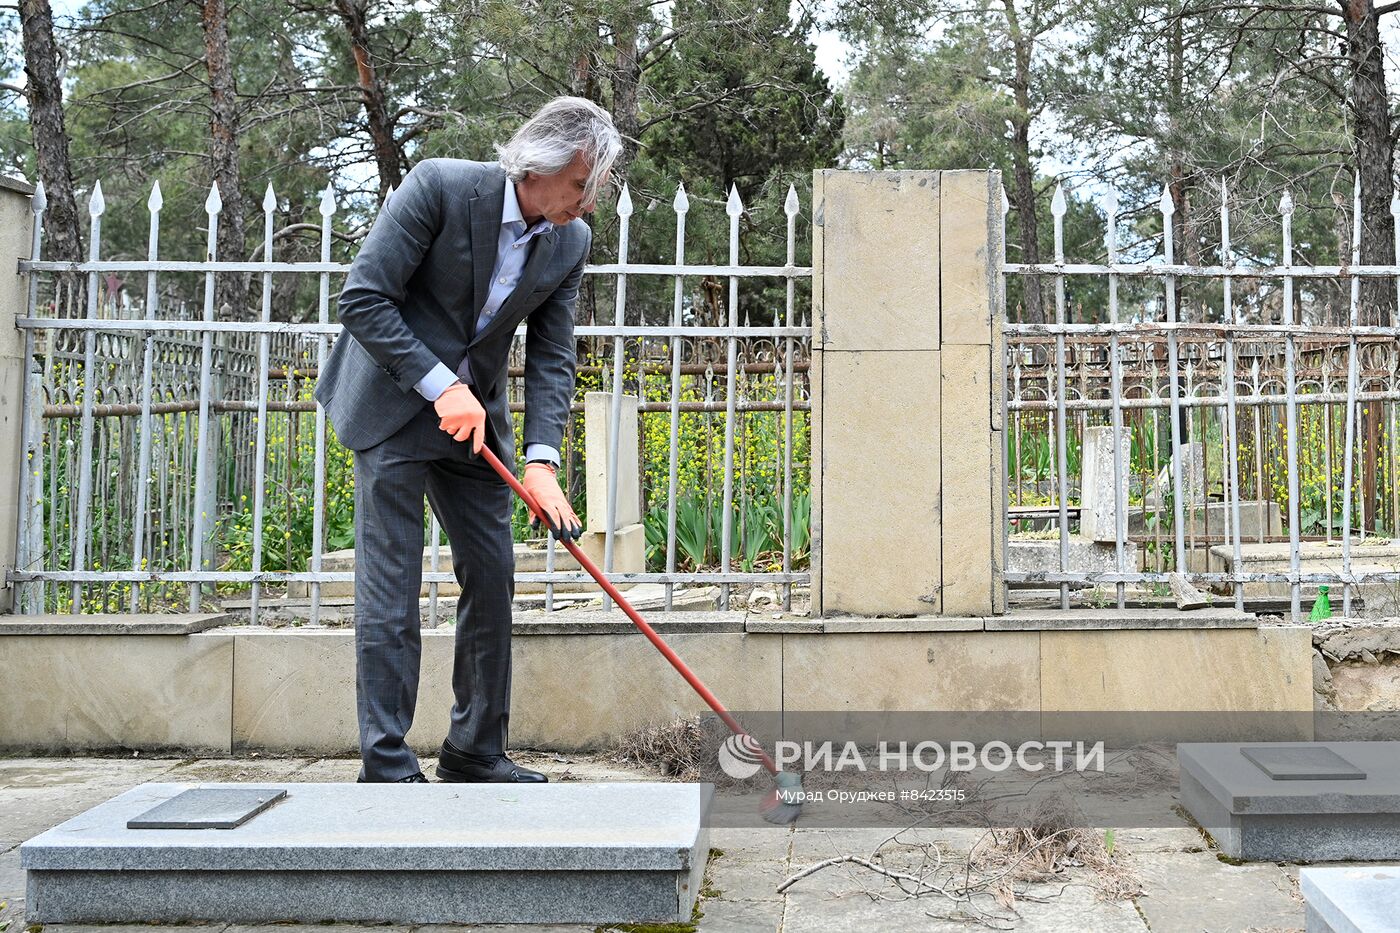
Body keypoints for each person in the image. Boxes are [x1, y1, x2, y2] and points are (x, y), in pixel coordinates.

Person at [315, 97, 621, 783]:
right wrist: (437, 383)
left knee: (492, 574)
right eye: (580, 186)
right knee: (390, 588)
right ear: (540, 166)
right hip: (393, 402)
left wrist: (542, 460)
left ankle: (475, 749)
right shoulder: (440, 187)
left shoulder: (570, 241)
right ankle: (387, 763)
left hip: (475, 424)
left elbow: (552, 356)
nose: (587, 203)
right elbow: (364, 297)